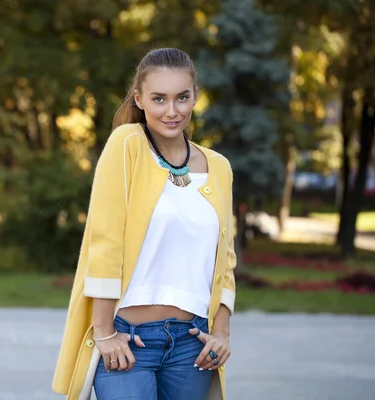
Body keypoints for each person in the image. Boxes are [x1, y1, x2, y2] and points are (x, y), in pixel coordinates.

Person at [52, 48, 237, 400]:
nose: (172, 111)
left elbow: (225, 258)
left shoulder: (219, 167)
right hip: (130, 339)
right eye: (159, 99)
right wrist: (104, 332)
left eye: (182, 97)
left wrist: (222, 332)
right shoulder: (127, 145)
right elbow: (106, 241)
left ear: (195, 96)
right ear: (138, 98)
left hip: (192, 344)